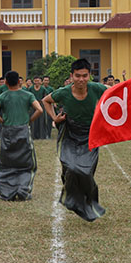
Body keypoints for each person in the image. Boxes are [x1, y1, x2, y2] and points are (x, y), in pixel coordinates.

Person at [43, 58, 108, 221]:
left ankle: (88, 203)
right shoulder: (64, 92)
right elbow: (46, 100)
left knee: (86, 171)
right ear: (72, 76)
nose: (81, 79)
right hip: (70, 133)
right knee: (70, 166)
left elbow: (117, 93)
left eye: (85, 76)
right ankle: (71, 198)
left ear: (89, 76)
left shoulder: (96, 88)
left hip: (90, 135)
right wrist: (54, 118)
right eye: (77, 76)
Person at [0, 70, 43, 201]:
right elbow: (40, 110)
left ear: (6, 82)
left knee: (5, 163)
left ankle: (7, 193)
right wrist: (30, 120)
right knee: (27, 163)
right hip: (23, 130)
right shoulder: (28, 95)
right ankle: (24, 191)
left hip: (8, 131)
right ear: (19, 81)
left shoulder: (2, 96)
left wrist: (2, 121)